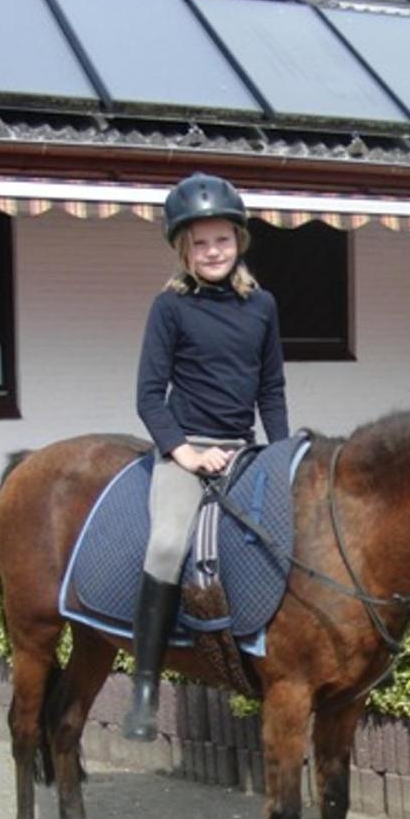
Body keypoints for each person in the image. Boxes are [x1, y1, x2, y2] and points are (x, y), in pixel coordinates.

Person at [121, 172, 289, 742]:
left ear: (238, 241)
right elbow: (148, 395)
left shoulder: (261, 305)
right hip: (186, 450)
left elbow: (271, 389)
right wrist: (186, 453)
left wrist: (283, 454)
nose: (212, 251)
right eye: (200, 243)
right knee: (168, 544)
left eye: (222, 240)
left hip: (246, 450)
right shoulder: (169, 308)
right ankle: (144, 685)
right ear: (183, 249)